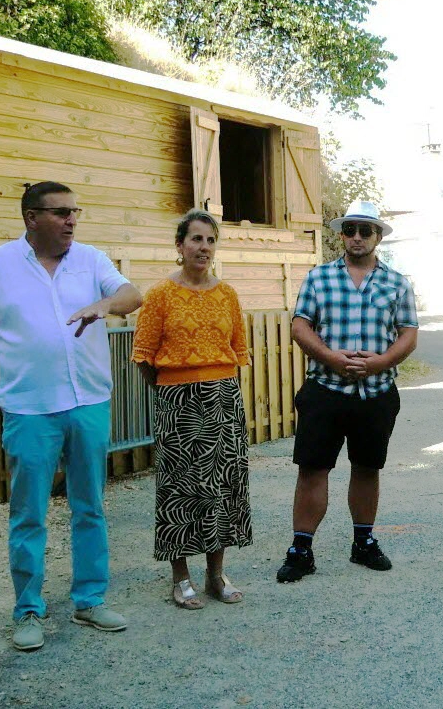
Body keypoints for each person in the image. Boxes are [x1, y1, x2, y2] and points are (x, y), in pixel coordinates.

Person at [0, 181, 143, 652]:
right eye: (59, 213)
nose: (71, 220)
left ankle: (90, 599)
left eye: (74, 211)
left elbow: (132, 294)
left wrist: (104, 305)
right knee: (29, 512)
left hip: (88, 401)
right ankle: (28, 609)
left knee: (90, 506)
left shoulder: (90, 259)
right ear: (31, 218)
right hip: (30, 407)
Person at [277, 201, 418, 583]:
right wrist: (331, 359)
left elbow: (408, 334)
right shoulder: (319, 278)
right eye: (350, 229)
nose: (357, 237)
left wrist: (379, 363)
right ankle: (301, 550)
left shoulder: (397, 283)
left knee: (367, 468)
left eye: (365, 230)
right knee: (312, 469)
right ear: (342, 235)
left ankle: (364, 543)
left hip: (375, 392)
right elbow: (300, 327)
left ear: (378, 237)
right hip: (325, 388)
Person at [132, 208, 252, 609]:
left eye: (210, 240)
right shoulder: (160, 295)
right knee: (180, 489)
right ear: (180, 246)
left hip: (223, 399)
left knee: (222, 486)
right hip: (176, 400)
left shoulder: (227, 294)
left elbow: (237, 352)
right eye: (196, 239)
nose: (203, 247)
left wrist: (221, 391)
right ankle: (179, 577)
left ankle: (215, 574)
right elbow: (144, 356)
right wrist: (173, 390)